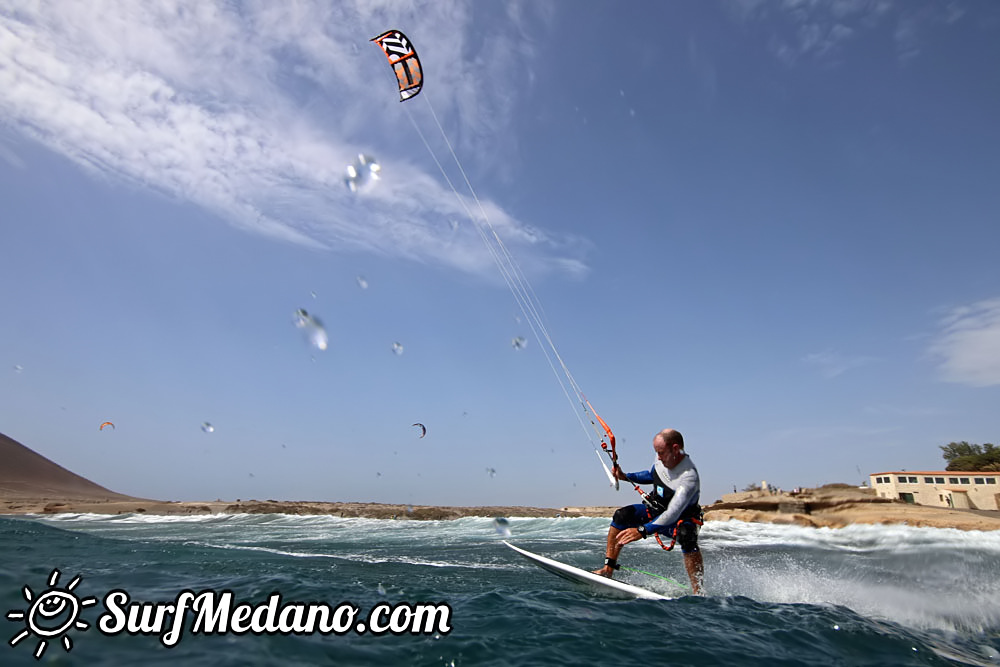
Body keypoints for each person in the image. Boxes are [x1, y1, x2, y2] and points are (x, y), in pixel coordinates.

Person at [592, 428, 704, 594]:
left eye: (661, 452)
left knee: (687, 536)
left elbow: (672, 513)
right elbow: (651, 474)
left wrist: (643, 530)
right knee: (622, 516)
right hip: (655, 509)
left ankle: (698, 591)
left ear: (675, 449)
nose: (658, 457)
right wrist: (625, 476)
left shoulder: (688, 478)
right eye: (656, 452)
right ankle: (608, 569)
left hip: (679, 520)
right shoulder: (664, 460)